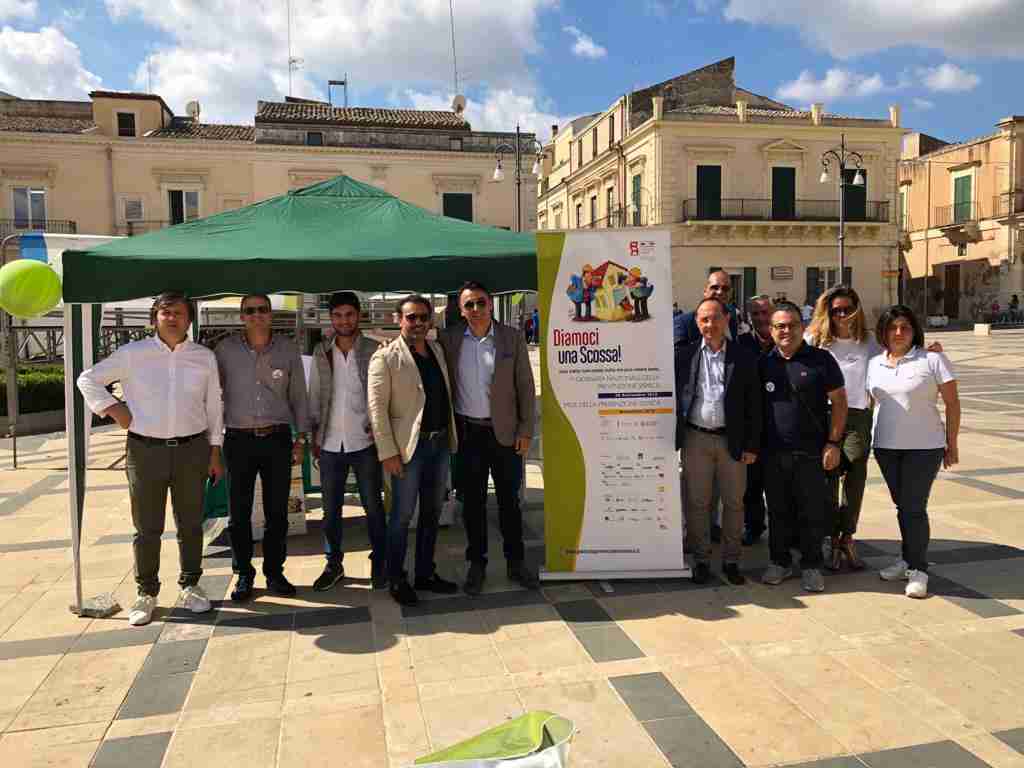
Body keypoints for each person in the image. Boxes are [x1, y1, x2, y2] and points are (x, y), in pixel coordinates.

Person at [77, 291, 223, 626]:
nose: (173, 318)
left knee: (190, 523)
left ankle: (191, 585)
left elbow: (214, 407)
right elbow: (87, 380)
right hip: (145, 451)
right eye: (166, 312)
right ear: (154, 317)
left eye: (180, 313)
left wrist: (215, 451)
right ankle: (147, 592)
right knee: (147, 527)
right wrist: (115, 410)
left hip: (192, 450)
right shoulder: (132, 354)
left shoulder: (204, 357)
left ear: (190, 319)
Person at [438, 282, 538, 595]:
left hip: (505, 435)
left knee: (510, 502)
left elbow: (525, 387)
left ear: (491, 304)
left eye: (481, 303)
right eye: (469, 305)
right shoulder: (450, 338)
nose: (476, 310)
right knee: (473, 504)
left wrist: (525, 431)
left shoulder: (511, 337)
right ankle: (477, 564)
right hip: (468, 434)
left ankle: (515, 562)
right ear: (462, 309)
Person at [215, 294, 309, 601]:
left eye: (262, 310)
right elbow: (210, 395)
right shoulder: (224, 350)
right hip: (238, 440)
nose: (256, 315)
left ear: (271, 314)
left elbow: (299, 397)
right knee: (238, 514)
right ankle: (243, 573)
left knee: (277, 511)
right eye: (250, 311)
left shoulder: (288, 348)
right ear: (242, 316)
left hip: (277, 438)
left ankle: (274, 571)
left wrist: (301, 437)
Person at [368, 294, 459, 606]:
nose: (418, 323)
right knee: (402, 516)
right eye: (411, 317)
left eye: (423, 317)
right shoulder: (384, 358)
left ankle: (425, 573)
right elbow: (376, 410)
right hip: (409, 449)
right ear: (398, 319)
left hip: (439, 443)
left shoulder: (436, 350)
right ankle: (397, 577)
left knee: (432, 513)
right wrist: (388, 453)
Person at [868, 305, 960, 599]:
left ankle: (919, 569)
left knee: (914, 507)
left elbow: (953, 403)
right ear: (883, 332)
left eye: (905, 327)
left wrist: (952, 442)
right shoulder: (875, 363)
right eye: (892, 328)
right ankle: (907, 559)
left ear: (914, 330)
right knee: (903, 506)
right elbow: (871, 403)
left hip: (925, 447)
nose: (898, 333)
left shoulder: (932, 359)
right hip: (885, 446)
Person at [759, 301, 847, 593]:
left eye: (792, 325)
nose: (786, 331)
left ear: (802, 327)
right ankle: (779, 562)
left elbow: (839, 403)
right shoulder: (763, 363)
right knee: (778, 511)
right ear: (771, 331)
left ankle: (811, 566)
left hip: (812, 452)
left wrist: (833, 442)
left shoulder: (821, 360)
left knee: (812, 511)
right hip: (772, 453)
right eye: (780, 326)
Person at [675, 298, 761, 585]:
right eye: (703, 320)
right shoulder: (684, 356)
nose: (709, 325)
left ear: (726, 320)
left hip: (731, 441)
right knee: (697, 503)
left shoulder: (744, 356)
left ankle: (731, 560)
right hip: (696, 438)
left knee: (734, 503)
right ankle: (701, 560)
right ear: (697, 323)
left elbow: (754, 405)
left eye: (714, 319)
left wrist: (751, 445)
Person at [308, 292, 385, 591]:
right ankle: (333, 564)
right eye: (338, 315)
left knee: (373, 506)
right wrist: (312, 434)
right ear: (331, 318)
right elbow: (315, 394)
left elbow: (383, 394)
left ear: (359, 316)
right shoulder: (320, 351)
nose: (344, 321)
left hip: (365, 441)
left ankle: (381, 561)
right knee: (331, 510)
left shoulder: (374, 349)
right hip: (329, 442)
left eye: (349, 314)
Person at [805, 286, 877, 571]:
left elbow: (900, 350)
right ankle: (831, 537)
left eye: (848, 308)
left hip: (858, 415)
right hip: (823, 414)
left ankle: (848, 534)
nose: (842, 315)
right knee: (828, 475)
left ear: (857, 309)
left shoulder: (869, 342)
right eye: (836, 310)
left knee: (856, 470)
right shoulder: (816, 341)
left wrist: (930, 351)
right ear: (828, 312)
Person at [736, 294, 775, 546]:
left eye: (765, 313)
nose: (761, 318)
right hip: (752, 425)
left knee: (781, 485)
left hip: (780, 423)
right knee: (751, 484)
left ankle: (787, 530)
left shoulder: (787, 341)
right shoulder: (741, 344)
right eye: (756, 314)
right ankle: (754, 525)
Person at [673, 271, 745, 347]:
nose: (720, 292)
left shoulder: (735, 317)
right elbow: (678, 356)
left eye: (725, 288)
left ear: (730, 293)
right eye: (714, 287)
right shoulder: (682, 324)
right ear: (705, 291)